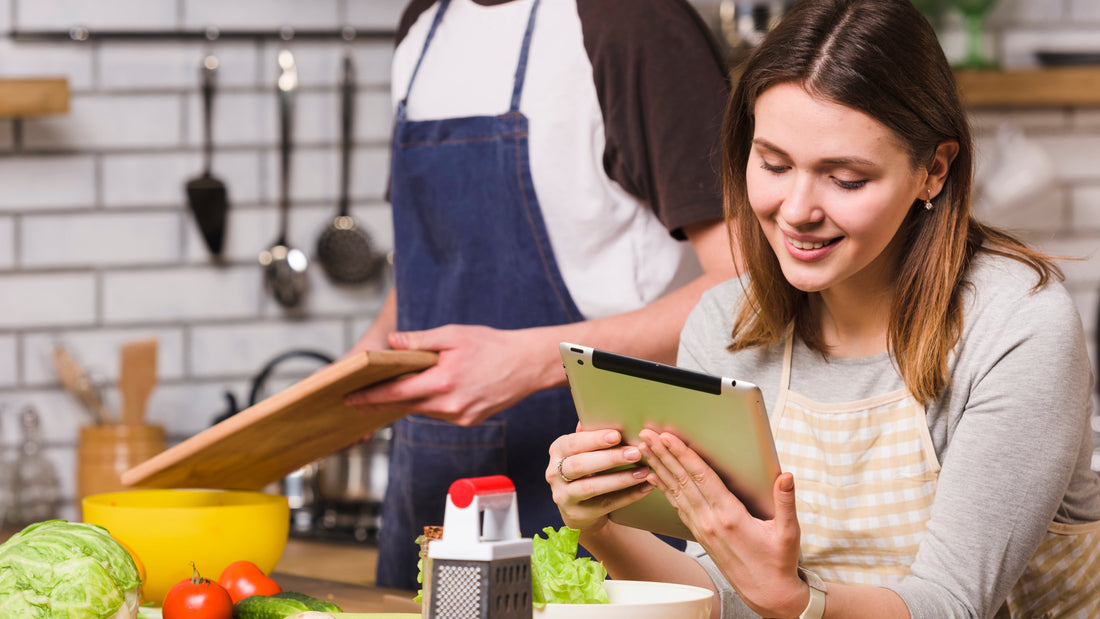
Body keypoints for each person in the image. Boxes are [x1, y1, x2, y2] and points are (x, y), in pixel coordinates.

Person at [546, 0, 1100, 617]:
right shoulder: (726, 325)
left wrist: (794, 599)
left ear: (934, 170)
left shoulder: (1017, 325)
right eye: (774, 164)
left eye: (846, 179)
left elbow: (951, 604)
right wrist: (600, 527)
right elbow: (726, 593)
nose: (797, 210)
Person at [343, 0, 738, 591]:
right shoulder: (423, 24)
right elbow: (439, 252)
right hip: (433, 485)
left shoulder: (634, 22)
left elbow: (745, 285)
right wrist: (369, 355)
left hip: (598, 487)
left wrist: (533, 362)